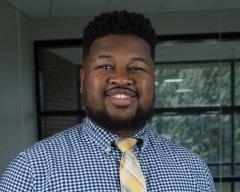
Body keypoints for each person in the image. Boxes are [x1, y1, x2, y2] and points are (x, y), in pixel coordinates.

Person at [0, 10, 215, 191]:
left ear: (153, 80)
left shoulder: (193, 170)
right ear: (83, 79)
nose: (121, 78)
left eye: (137, 68)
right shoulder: (31, 171)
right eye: (105, 66)